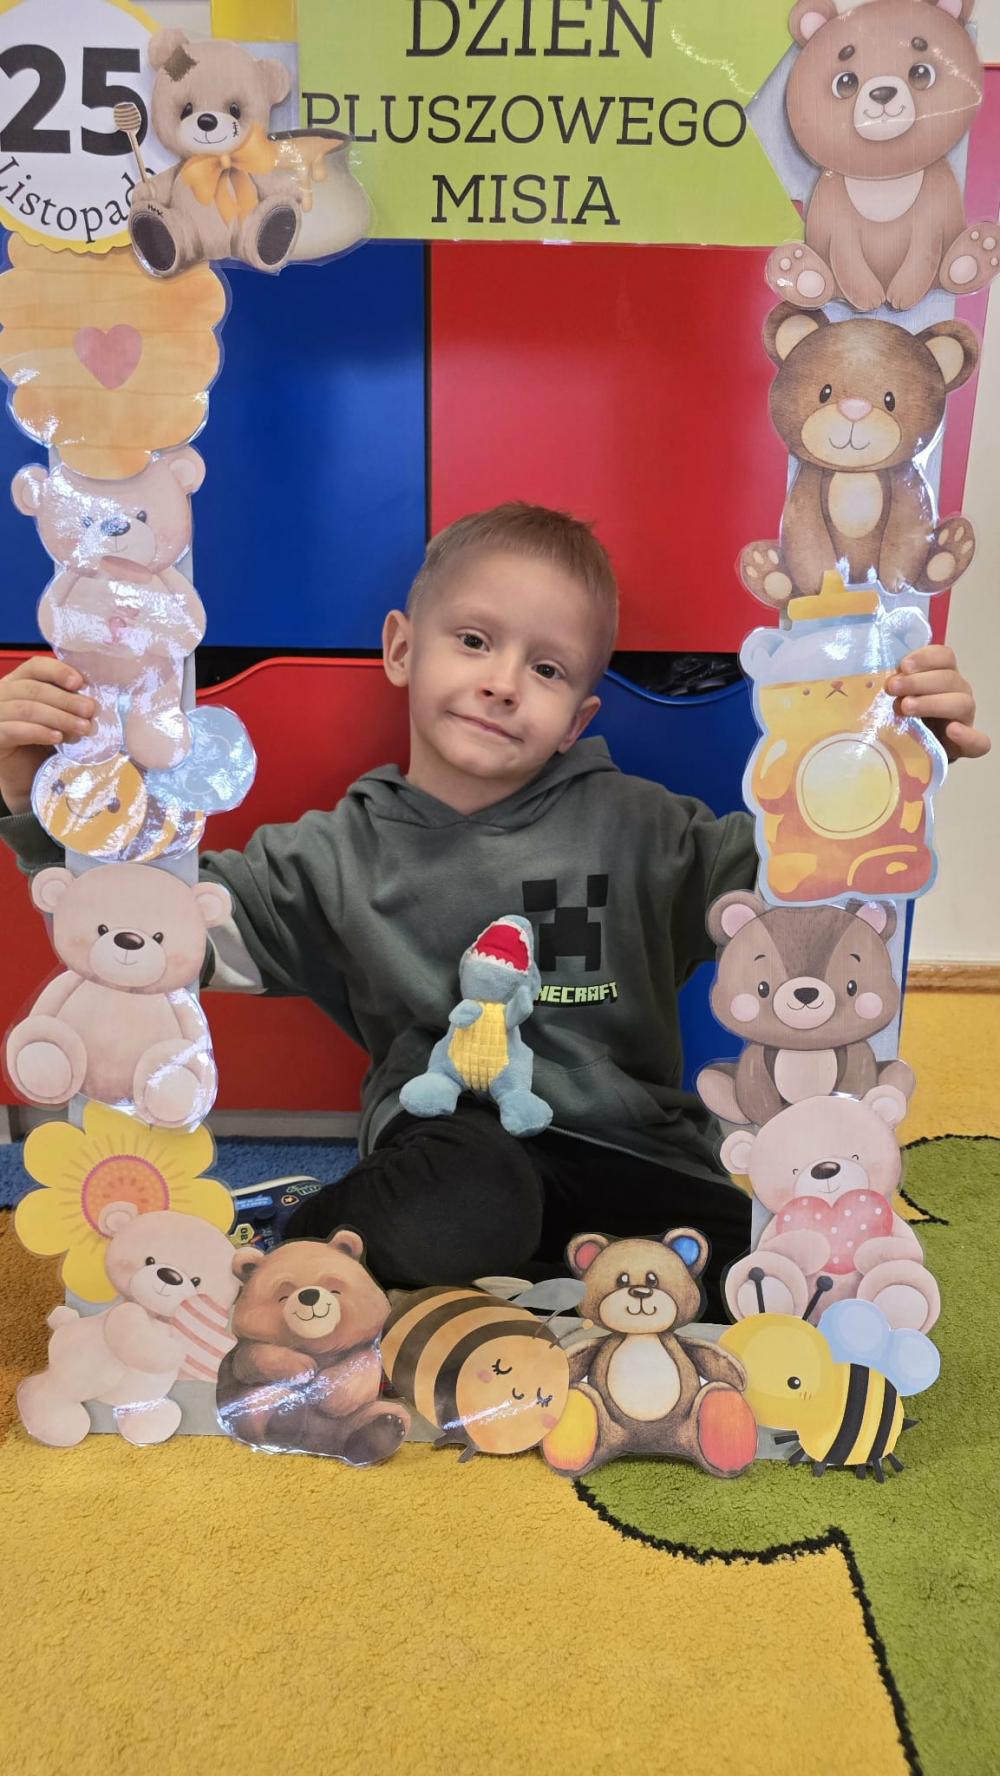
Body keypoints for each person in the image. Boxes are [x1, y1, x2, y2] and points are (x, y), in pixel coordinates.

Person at [0, 505, 989, 1311]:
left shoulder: (646, 827)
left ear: (578, 718)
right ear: (402, 649)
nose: (503, 683)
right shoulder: (335, 854)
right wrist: (35, 798)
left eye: (547, 669)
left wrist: (900, 762)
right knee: (461, 1203)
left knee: (788, 1272)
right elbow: (147, 934)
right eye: (473, 641)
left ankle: (556, 1278)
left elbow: (809, 897)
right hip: (460, 1149)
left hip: (636, 1158)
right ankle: (302, 1242)